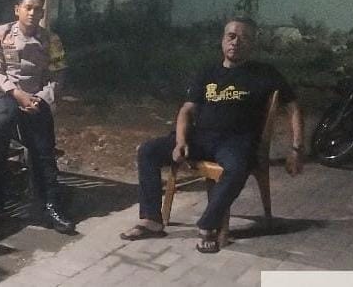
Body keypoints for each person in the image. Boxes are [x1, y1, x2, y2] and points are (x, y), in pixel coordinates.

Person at [119, 16, 304, 253]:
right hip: (201, 137)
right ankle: (151, 220)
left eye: (244, 38)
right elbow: (187, 110)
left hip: (236, 141)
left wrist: (296, 149)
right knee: (148, 151)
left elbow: (293, 107)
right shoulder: (208, 71)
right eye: (231, 36)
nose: (236, 42)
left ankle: (208, 224)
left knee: (237, 168)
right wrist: (181, 141)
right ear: (223, 40)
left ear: (252, 44)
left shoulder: (264, 73)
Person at [0, 0, 75, 234]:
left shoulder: (51, 40)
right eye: (28, 8)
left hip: (36, 96)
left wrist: (42, 98)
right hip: (7, 93)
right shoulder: (0, 35)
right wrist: (18, 94)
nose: (33, 13)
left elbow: (58, 75)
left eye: (38, 9)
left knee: (44, 148)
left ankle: (51, 204)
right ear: (17, 10)